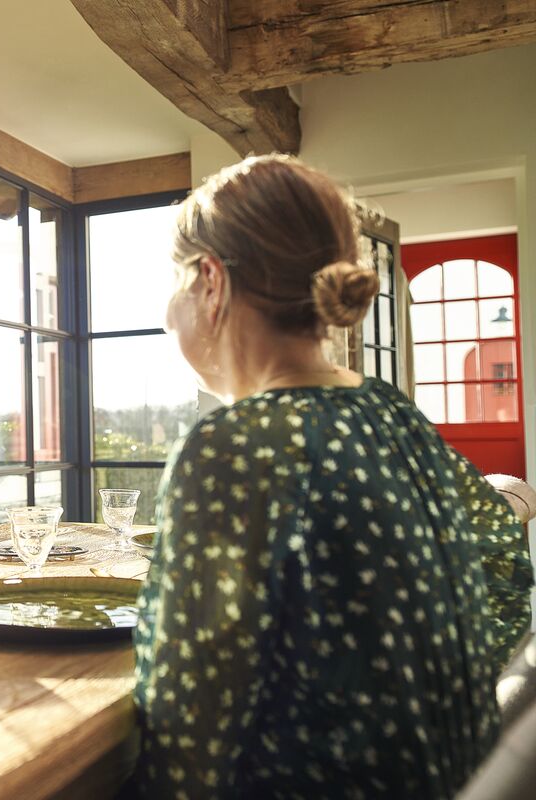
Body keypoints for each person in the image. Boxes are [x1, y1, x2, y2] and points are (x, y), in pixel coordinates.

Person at [131, 154, 533, 797]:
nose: (165, 313)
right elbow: (501, 570)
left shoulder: (233, 446)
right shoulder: (395, 415)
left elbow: (190, 729)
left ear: (210, 281)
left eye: (174, 284)